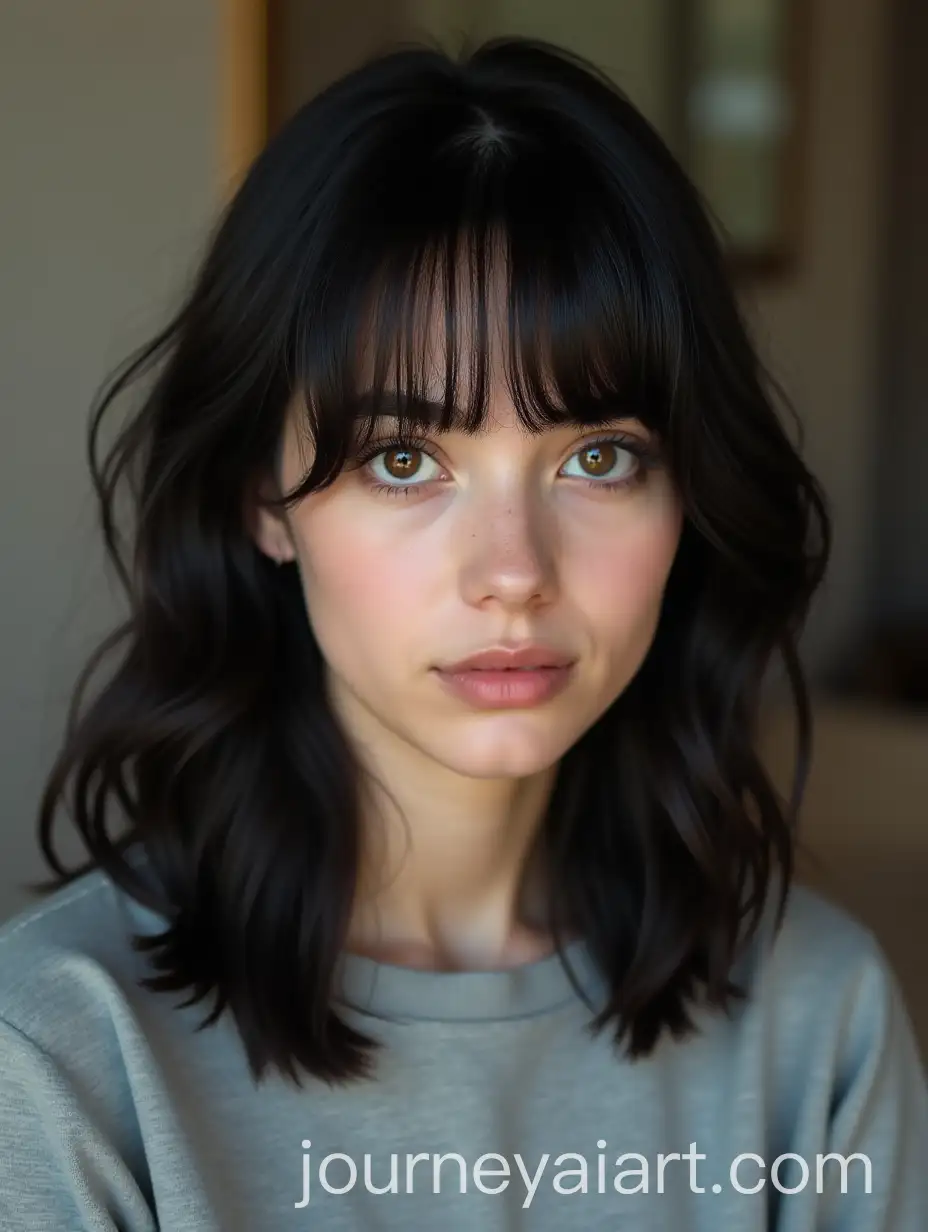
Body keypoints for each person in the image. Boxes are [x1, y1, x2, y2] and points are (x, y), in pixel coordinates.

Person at [0, 36, 925, 1231]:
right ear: (262, 502)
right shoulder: (65, 1061)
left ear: (686, 493)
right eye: (403, 459)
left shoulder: (817, 1017)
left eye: (598, 458)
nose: (512, 574)